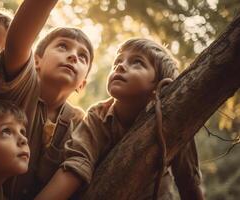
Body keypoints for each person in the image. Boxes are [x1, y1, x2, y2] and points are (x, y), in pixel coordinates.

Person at [36, 38, 204, 200]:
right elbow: (77, 163)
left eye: (137, 62)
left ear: (159, 86)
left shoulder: (173, 120)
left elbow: (189, 181)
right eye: (117, 62)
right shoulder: (98, 116)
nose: (121, 66)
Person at [0, 0, 94, 199]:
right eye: (63, 47)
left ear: (82, 84)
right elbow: (17, 39)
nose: (73, 56)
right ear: (36, 60)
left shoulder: (81, 123)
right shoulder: (20, 87)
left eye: (83, 57)